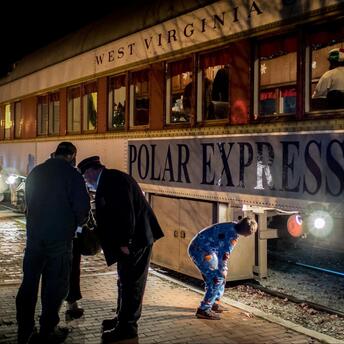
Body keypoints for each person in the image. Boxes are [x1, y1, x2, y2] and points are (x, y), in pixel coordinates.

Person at [77, 156, 164, 343]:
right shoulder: (110, 179)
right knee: (124, 281)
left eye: (85, 176)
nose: (85, 180)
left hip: (135, 242)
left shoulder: (112, 180)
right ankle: (121, 319)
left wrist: (126, 242)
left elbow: (125, 213)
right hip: (131, 241)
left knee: (132, 284)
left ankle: (127, 328)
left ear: (92, 170)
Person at [16, 142, 90, 344]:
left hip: (35, 238)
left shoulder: (36, 172)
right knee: (55, 285)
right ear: (72, 156)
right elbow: (82, 209)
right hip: (59, 239)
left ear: (55, 153)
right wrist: (78, 223)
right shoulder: (72, 175)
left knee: (29, 284)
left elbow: (26, 203)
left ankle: (25, 327)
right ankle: (48, 328)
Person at [188, 217, 258, 320]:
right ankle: (204, 309)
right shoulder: (232, 236)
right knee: (217, 278)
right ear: (247, 233)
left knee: (219, 275)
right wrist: (223, 270)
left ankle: (214, 303)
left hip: (204, 249)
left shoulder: (232, 225)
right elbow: (224, 255)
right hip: (201, 251)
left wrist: (223, 269)